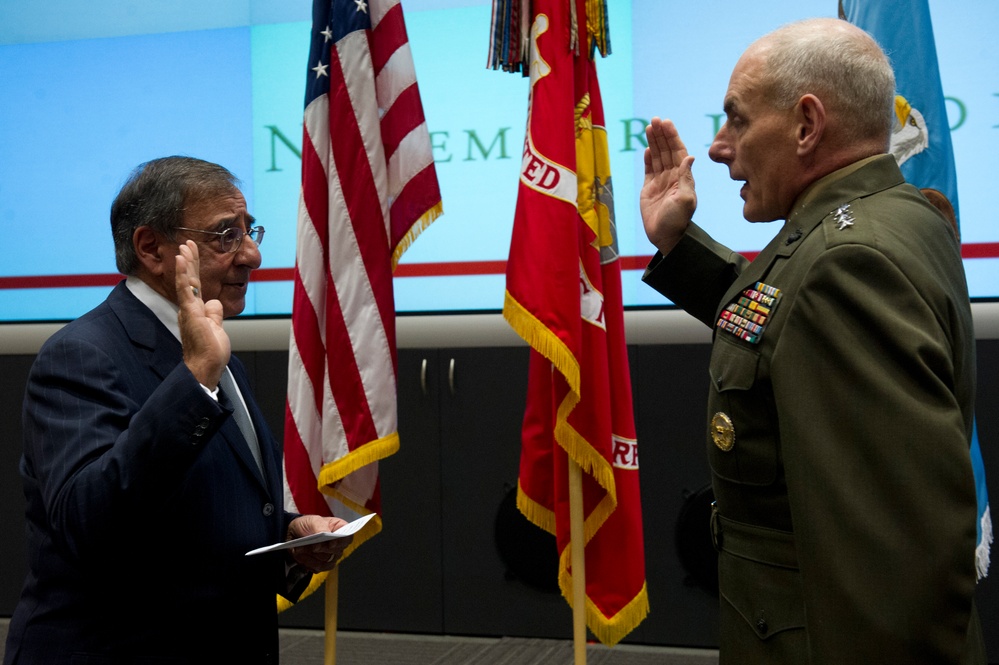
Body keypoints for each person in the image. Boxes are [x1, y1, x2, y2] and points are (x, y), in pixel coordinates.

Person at [640, 18, 985, 664]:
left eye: (737, 120)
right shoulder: (895, 214)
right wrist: (678, 247)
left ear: (805, 125)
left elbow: (890, 577)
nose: (717, 149)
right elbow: (781, 312)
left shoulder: (845, 263)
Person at [5, 156, 352, 665]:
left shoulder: (207, 348)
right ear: (151, 248)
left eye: (248, 230)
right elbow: (89, 523)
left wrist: (287, 533)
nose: (252, 254)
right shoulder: (82, 355)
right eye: (224, 235)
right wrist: (194, 377)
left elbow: (199, 507)